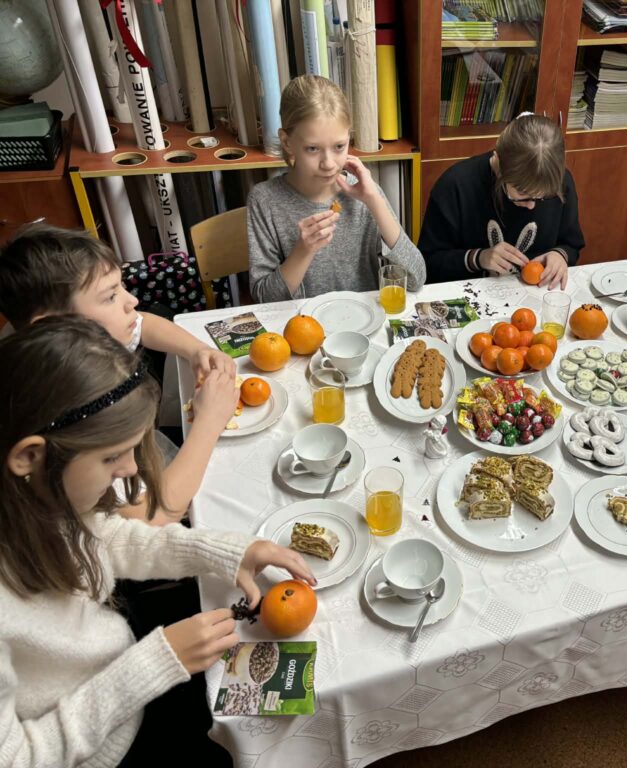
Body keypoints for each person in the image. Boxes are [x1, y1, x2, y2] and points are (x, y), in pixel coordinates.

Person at [0, 316, 316, 767]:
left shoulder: (38, 498)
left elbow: (107, 538)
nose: (131, 470)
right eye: (113, 456)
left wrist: (226, 552)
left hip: (122, 667)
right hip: (106, 745)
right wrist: (155, 664)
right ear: (30, 456)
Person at [0, 223, 239, 524]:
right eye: (110, 296)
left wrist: (197, 350)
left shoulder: (60, 342)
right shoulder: (63, 403)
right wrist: (209, 422)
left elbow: (143, 322)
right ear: (54, 324)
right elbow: (149, 516)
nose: (132, 301)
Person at [247, 74, 426, 302]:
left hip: (365, 319)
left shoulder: (366, 194)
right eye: (312, 149)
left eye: (339, 146)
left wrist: (375, 202)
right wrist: (303, 251)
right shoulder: (264, 200)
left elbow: (416, 278)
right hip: (303, 322)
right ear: (287, 142)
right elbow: (265, 300)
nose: (329, 163)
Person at [418, 113, 585, 290]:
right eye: (522, 193)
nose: (532, 205)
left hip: (537, 293)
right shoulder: (455, 186)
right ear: (498, 161)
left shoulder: (559, 183)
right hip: (470, 294)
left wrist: (560, 255)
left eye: (544, 196)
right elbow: (428, 263)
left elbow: (571, 243)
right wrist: (478, 258)